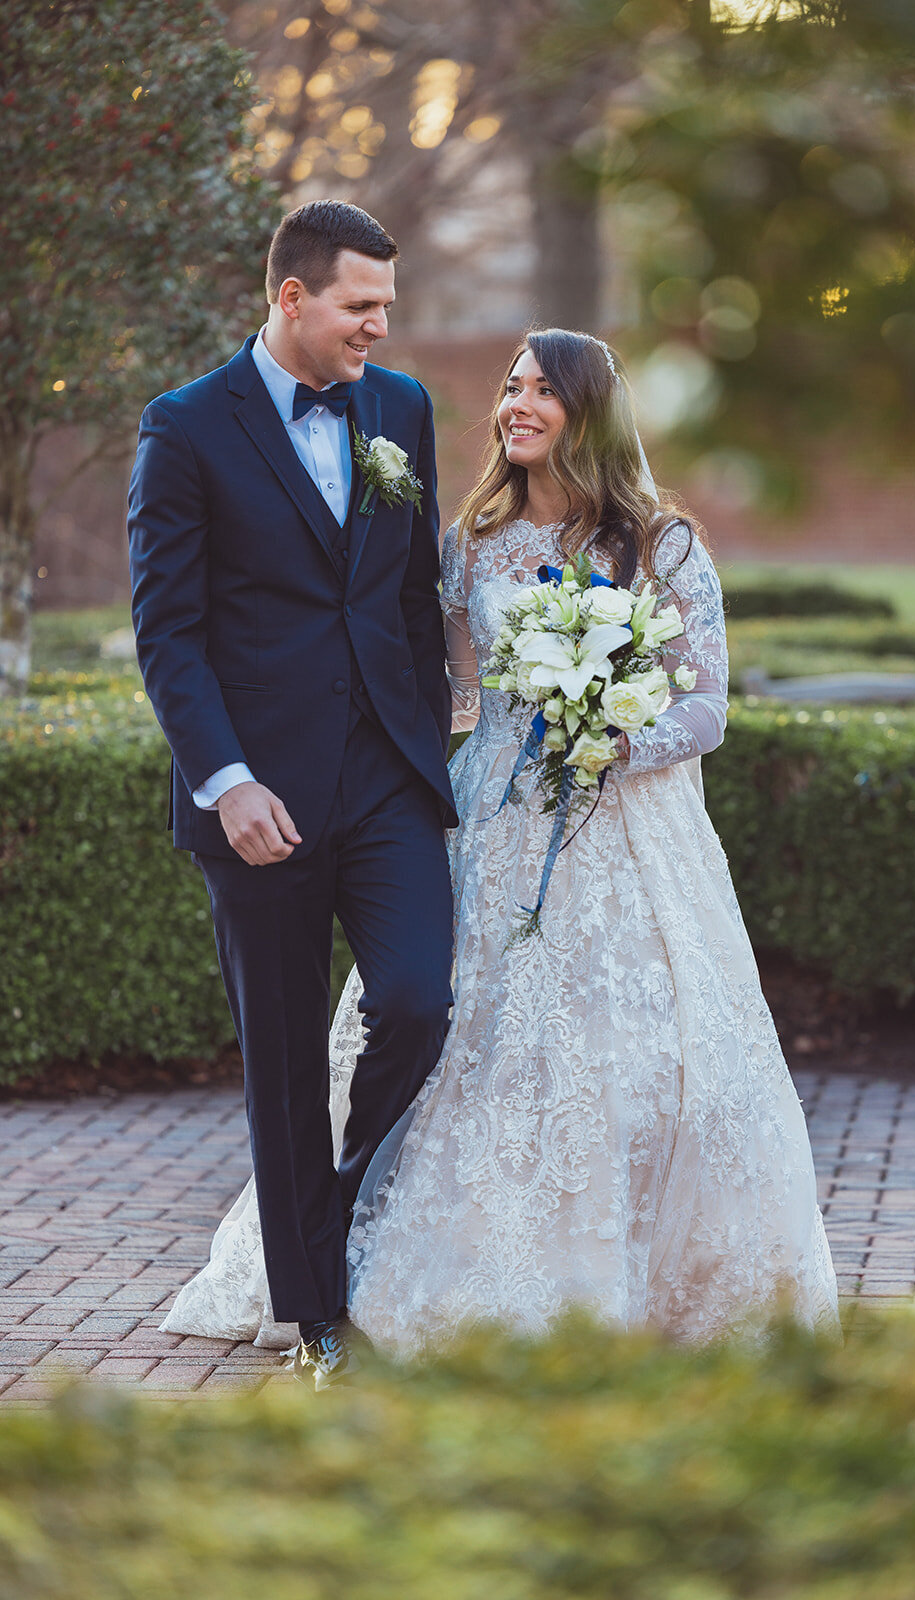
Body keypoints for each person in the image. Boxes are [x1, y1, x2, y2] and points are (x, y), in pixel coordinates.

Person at [163, 327, 838, 1358]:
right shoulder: (472, 539)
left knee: (639, 1056)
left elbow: (707, 707)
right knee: (448, 1026)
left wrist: (621, 735)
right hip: (493, 817)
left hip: (629, 825)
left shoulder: (661, 546)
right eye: (509, 387)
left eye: (539, 391)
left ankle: (645, 1278)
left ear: (589, 414)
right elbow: (428, 682)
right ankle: (369, 1257)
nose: (513, 404)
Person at [128, 201, 456, 1391]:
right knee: (279, 1062)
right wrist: (226, 783)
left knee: (419, 1000)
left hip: (384, 782)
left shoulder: (401, 409)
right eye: (361, 305)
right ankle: (315, 1314)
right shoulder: (183, 429)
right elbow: (167, 634)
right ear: (291, 299)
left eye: (386, 304)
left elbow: (409, 598)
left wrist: (426, 743)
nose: (381, 325)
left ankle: (323, 1205)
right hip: (254, 802)